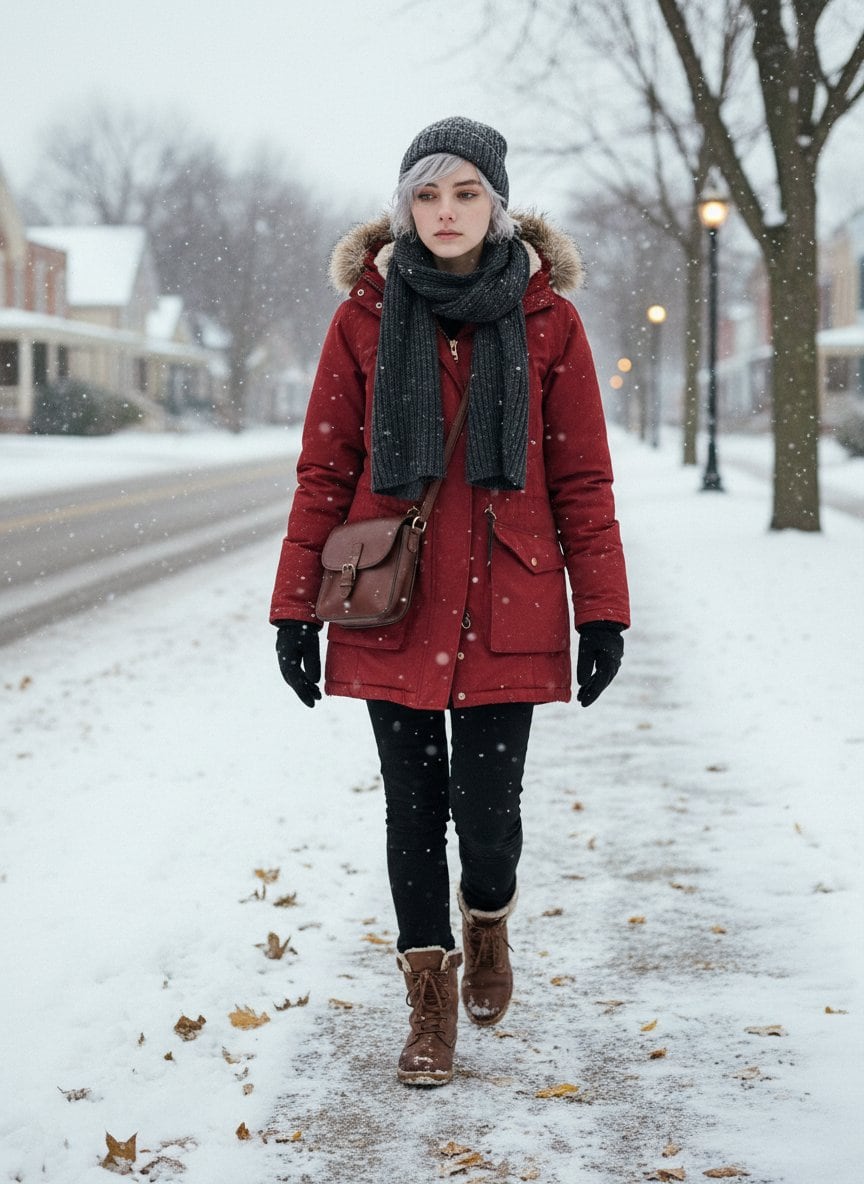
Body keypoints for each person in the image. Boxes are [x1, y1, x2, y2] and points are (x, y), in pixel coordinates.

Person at [270, 116, 629, 1087]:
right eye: (426, 194)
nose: (444, 211)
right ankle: (428, 1000)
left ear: (497, 205)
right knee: (412, 808)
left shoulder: (551, 322)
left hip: (511, 597)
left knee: (488, 815)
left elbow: (582, 478)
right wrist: (294, 608)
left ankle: (489, 915)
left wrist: (601, 608)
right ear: (404, 207)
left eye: (465, 192)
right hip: (393, 600)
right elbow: (324, 470)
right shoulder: (363, 318)